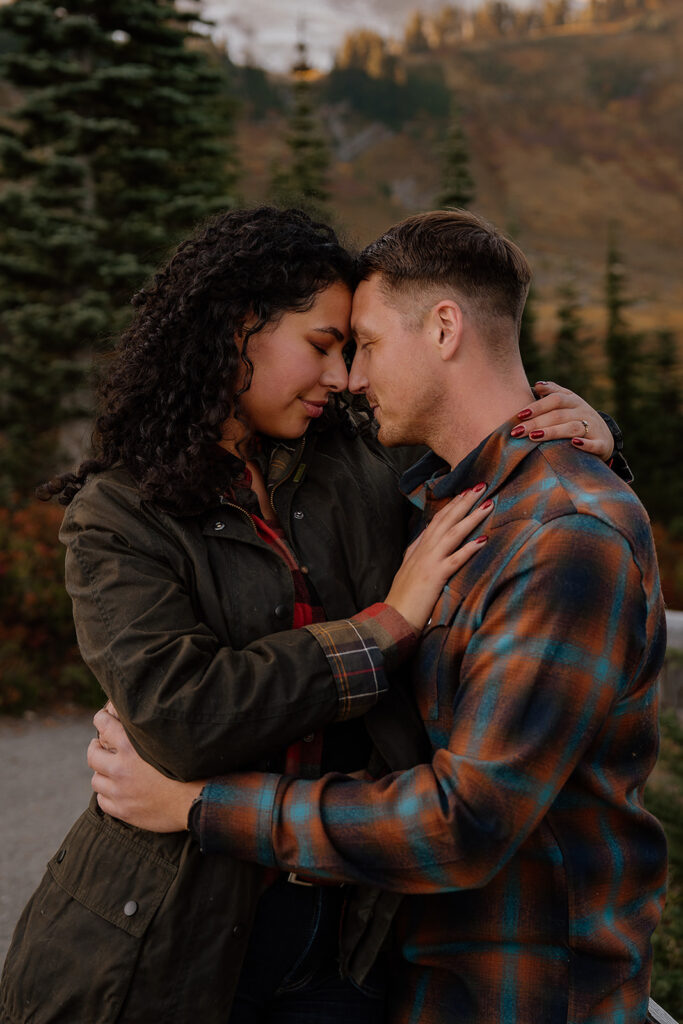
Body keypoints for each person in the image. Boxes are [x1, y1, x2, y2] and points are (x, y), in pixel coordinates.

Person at [1, 206, 619, 1024]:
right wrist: (385, 626)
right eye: (324, 348)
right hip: (158, 933)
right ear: (237, 330)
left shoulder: (357, 464)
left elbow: (504, 476)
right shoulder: (119, 516)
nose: (342, 378)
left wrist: (590, 437)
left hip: (343, 940)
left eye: (352, 350)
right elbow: (181, 718)